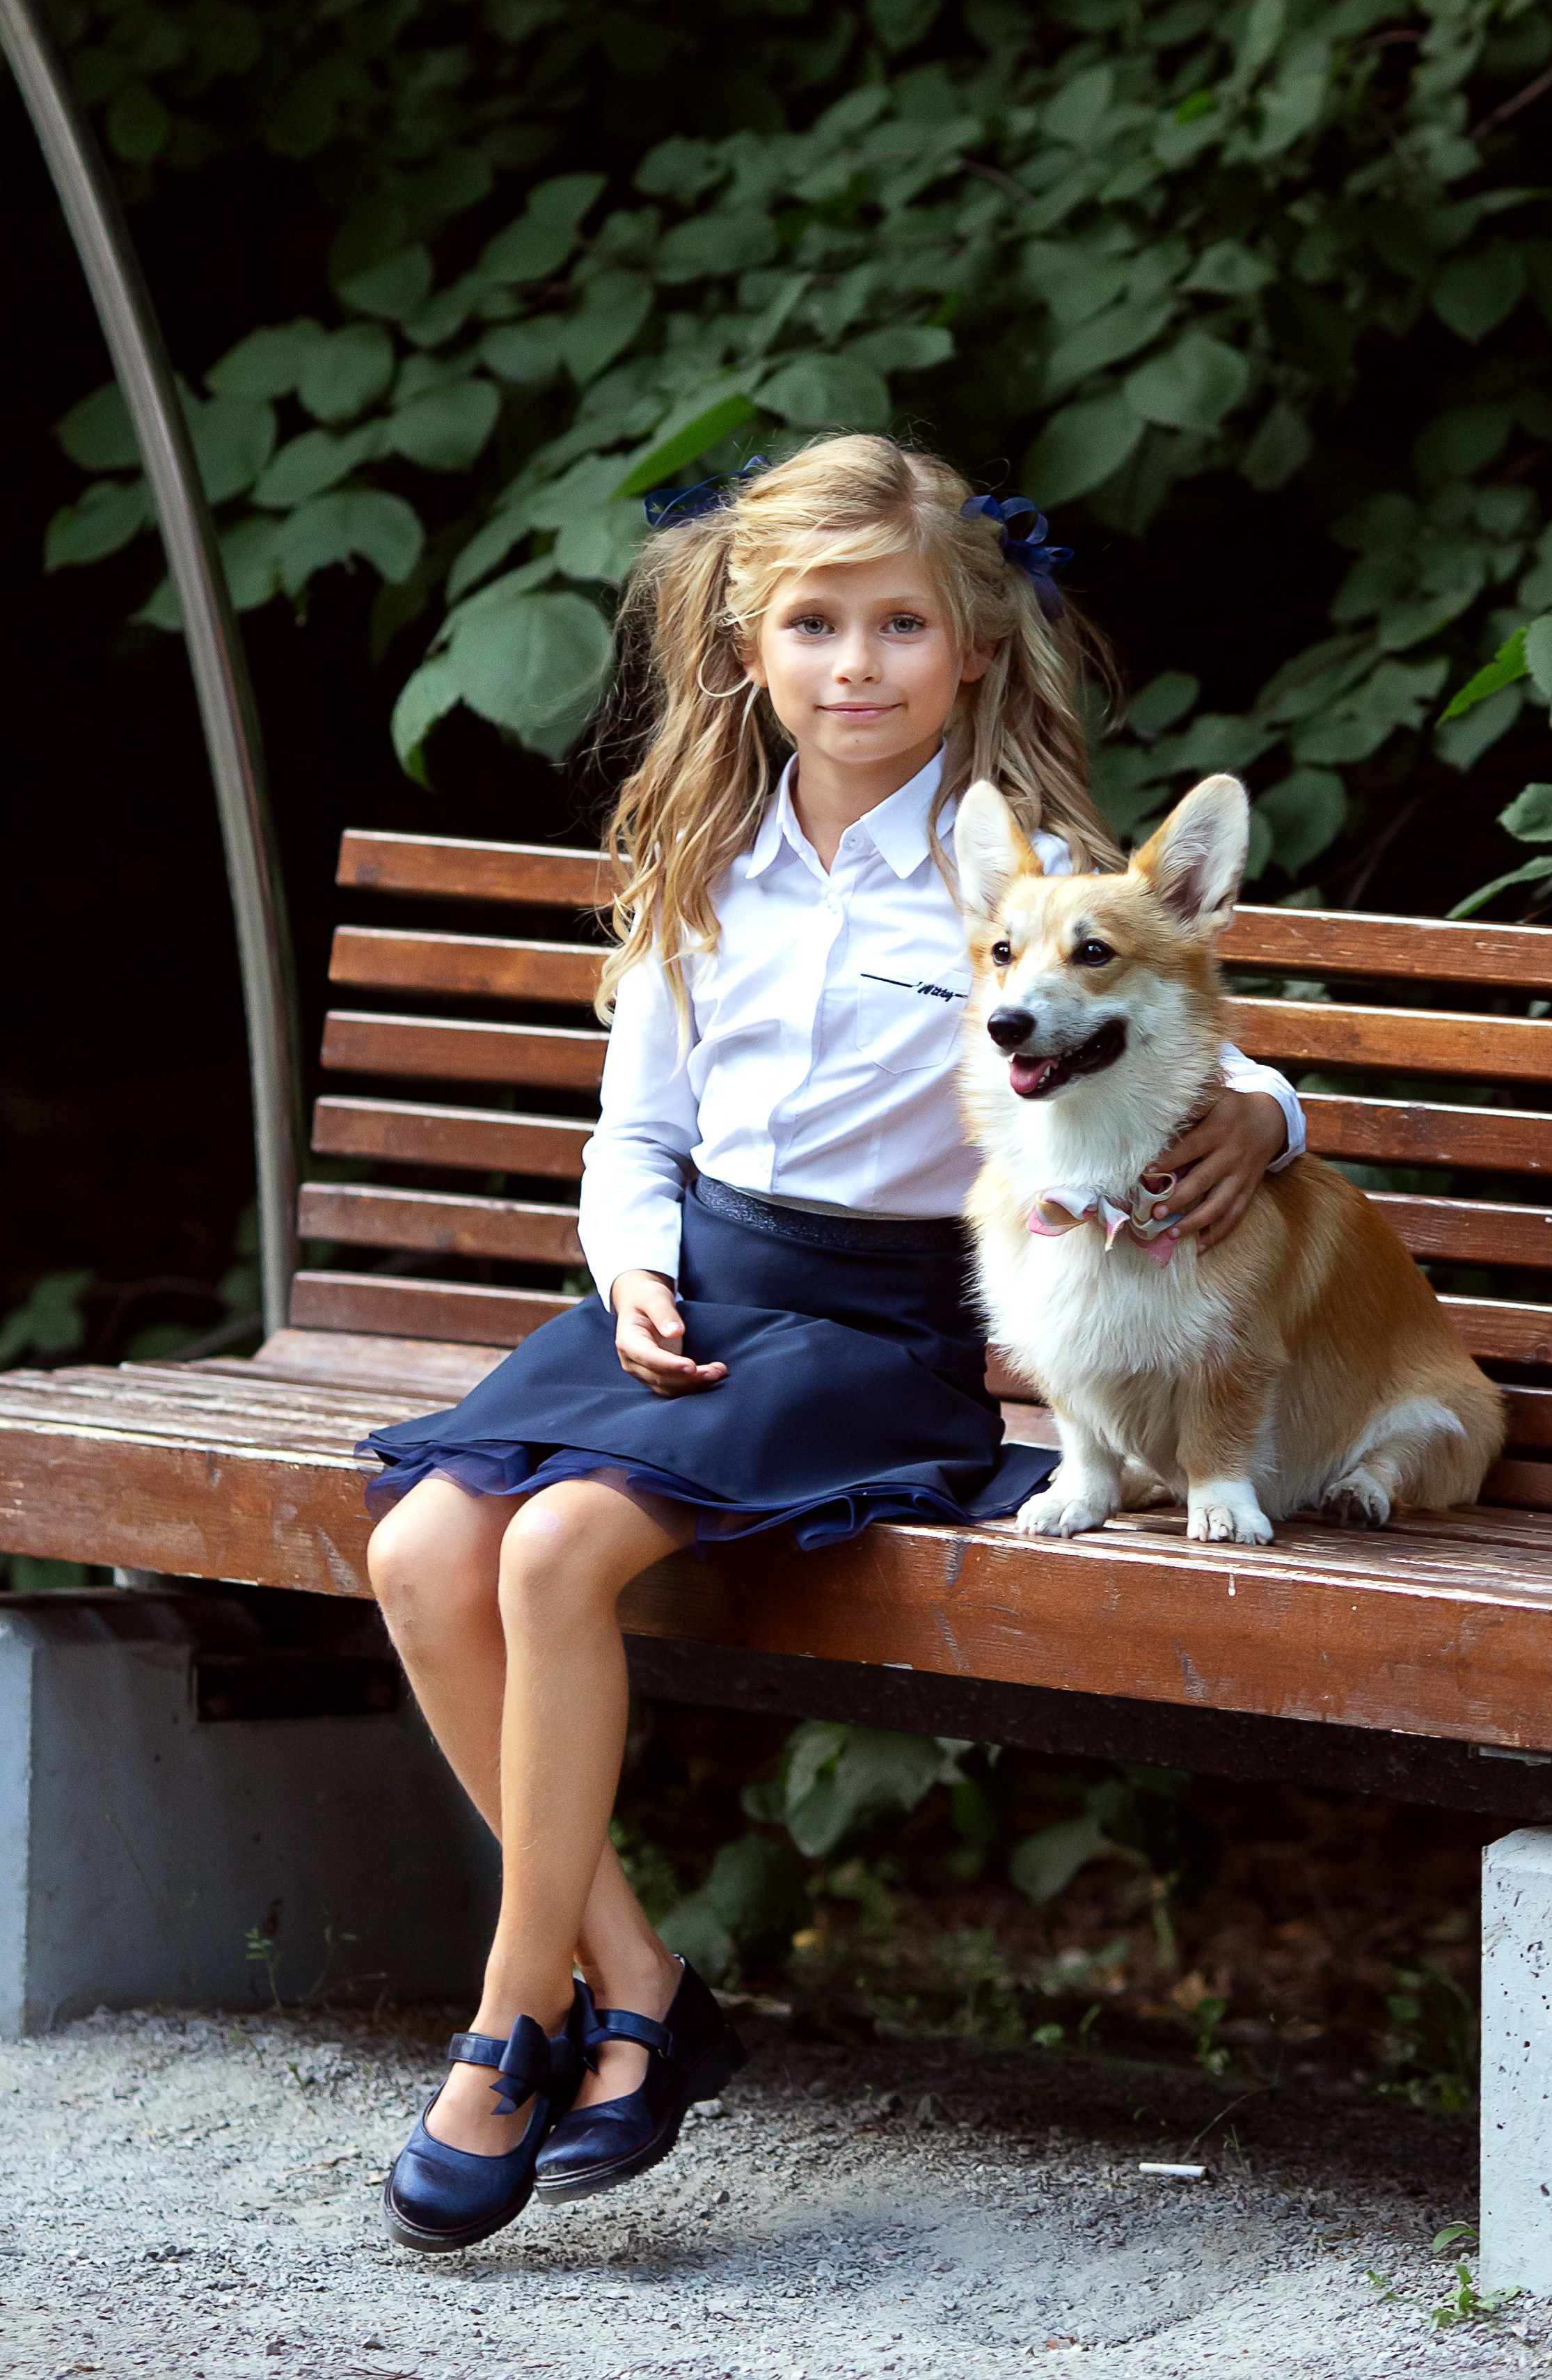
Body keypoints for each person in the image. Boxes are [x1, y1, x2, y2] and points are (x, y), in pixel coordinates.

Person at [360, 434, 1306, 2252]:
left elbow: (1171, 1017)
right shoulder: (702, 856)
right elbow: (633, 1138)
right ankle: (629, 1984)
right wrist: (629, 1266)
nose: (855, 662)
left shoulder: (1000, 868)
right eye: (814, 622)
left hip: (872, 1323)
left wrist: (1265, 1122)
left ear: (965, 646)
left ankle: (503, 2022)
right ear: (745, 644)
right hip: (695, 1295)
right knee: (420, 1549)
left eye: (896, 624)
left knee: (554, 1549)